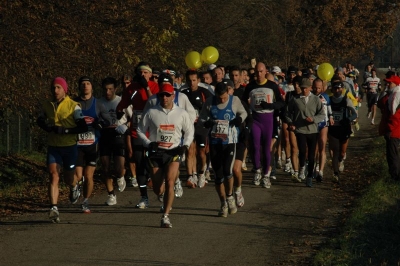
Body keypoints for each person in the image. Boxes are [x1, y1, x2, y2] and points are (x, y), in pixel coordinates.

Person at [137, 83, 194, 228]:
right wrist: (148, 143)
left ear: (173, 96)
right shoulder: (151, 112)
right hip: (156, 152)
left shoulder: (182, 113)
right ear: (158, 96)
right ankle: (161, 195)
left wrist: (185, 146)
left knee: (169, 181)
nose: (165, 97)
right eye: (162, 94)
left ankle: (166, 216)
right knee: (157, 188)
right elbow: (140, 130)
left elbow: (189, 131)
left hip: (173, 151)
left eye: (168, 95)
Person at [36, 77, 88, 222]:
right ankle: (53, 208)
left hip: (69, 147)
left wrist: (65, 131)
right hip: (54, 147)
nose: (55, 90)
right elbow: (40, 119)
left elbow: (83, 127)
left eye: (58, 87)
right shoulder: (47, 105)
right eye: (53, 88)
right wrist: (47, 127)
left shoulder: (73, 106)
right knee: (53, 175)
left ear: (65, 89)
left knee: (68, 178)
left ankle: (74, 187)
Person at [143, 72, 197, 198]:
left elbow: (191, 113)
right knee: (162, 170)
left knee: (173, 164)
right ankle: (165, 186)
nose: (165, 90)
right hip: (158, 138)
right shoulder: (152, 99)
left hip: (177, 134)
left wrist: (185, 127)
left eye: (168, 85)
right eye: (162, 85)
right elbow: (145, 118)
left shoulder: (182, 97)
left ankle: (175, 182)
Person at [199, 81, 247, 216]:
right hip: (214, 142)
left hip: (230, 142)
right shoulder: (210, 101)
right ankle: (223, 203)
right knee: (218, 176)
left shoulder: (234, 100)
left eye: (224, 97)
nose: (222, 99)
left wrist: (239, 119)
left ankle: (230, 197)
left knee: (228, 170)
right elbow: (202, 117)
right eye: (219, 97)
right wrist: (206, 122)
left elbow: (244, 113)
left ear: (228, 92)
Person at [116, 63, 159, 209]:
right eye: (140, 73)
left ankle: (160, 193)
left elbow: (154, 103)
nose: (143, 75)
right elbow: (122, 104)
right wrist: (119, 112)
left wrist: (146, 87)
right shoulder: (131, 88)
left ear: (150, 74)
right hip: (137, 131)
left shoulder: (155, 86)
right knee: (139, 164)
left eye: (145, 73)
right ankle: (144, 197)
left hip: (153, 133)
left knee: (155, 166)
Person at [73, 76, 114, 212]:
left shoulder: (98, 104)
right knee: (78, 176)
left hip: (92, 145)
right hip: (77, 145)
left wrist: (100, 123)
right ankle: (75, 187)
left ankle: (85, 201)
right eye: (83, 83)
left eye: (88, 83)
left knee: (88, 175)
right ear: (79, 87)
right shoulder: (73, 103)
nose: (85, 86)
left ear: (91, 87)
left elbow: (108, 120)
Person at [242, 62, 285, 188]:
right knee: (255, 146)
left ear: (265, 71)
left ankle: (266, 175)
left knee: (267, 148)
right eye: (257, 72)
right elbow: (243, 102)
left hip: (268, 119)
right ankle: (257, 170)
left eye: (261, 71)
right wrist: (248, 108)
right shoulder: (250, 86)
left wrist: (270, 105)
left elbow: (281, 103)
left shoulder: (272, 86)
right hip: (255, 119)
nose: (259, 74)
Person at [285, 78, 325, 187]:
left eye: (306, 88)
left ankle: (309, 177)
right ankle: (302, 168)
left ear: (310, 88)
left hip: (313, 130)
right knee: (302, 151)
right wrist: (291, 123)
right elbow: (288, 113)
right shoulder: (295, 99)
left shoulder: (316, 100)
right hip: (300, 130)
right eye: (302, 88)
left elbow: (322, 114)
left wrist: (313, 119)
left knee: (311, 155)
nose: (304, 90)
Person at [98, 77, 129, 208]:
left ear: (115, 89)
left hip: (118, 134)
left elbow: (133, 118)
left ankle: (121, 176)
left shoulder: (122, 101)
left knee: (119, 168)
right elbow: (94, 118)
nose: (108, 92)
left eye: (110, 89)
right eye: (105, 89)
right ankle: (111, 194)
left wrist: (125, 126)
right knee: (105, 167)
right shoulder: (98, 102)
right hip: (105, 135)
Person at [181, 69, 213, 188]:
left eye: (194, 80)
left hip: (202, 126)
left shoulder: (205, 92)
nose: (192, 83)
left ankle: (201, 174)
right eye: (189, 80)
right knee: (190, 150)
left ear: (198, 80)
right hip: (188, 126)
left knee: (201, 152)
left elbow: (211, 107)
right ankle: (190, 176)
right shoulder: (183, 93)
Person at [328, 81, 358, 182]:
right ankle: (335, 173)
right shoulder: (329, 100)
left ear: (342, 89)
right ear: (332, 89)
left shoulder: (346, 100)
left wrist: (348, 119)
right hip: (333, 129)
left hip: (344, 129)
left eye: (339, 88)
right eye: (335, 88)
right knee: (335, 150)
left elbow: (354, 114)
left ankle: (341, 160)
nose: (337, 90)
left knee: (342, 152)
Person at [378, 75, 400, 181]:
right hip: (394, 130)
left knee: (392, 155)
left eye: (390, 83)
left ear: (396, 84)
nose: (388, 84)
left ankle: (395, 177)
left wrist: (390, 129)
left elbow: (394, 114)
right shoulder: (392, 94)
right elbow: (380, 103)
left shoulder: (396, 95)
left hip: (394, 130)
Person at [312, 78, 332, 182]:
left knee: (322, 146)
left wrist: (331, 116)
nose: (316, 89)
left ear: (322, 87)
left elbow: (329, 107)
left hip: (324, 123)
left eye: (319, 88)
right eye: (315, 87)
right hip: (313, 124)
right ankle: (315, 166)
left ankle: (321, 171)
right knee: (314, 149)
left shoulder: (325, 96)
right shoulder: (310, 96)